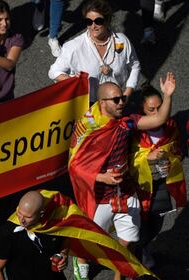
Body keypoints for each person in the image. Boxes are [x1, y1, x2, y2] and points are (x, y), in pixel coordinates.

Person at [68, 72, 176, 280]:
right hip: (100, 197)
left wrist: (168, 95)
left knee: (127, 240)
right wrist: (101, 177)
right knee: (91, 239)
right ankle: (81, 262)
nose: (121, 103)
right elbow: (75, 166)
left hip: (125, 192)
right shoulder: (89, 127)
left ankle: (119, 276)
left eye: (123, 98)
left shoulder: (126, 123)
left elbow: (159, 119)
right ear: (102, 102)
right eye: (115, 99)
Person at [129, 85, 187, 268]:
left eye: (159, 108)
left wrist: (172, 160)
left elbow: (178, 151)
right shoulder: (133, 130)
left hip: (162, 183)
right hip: (139, 188)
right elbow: (123, 160)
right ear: (142, 111)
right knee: (136, 229)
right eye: (151, 110)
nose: (156, 113)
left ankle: (144, 247)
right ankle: (132, 261)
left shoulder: (170, 126)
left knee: (156, 224)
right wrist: (147, 157)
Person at [48, 0, 140, 103]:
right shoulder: (74, 47)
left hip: (117, 102)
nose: (93, 26)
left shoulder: (122, 41)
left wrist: (127, 93)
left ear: (107, 20)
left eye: (98, 21)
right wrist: (73, 81)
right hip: (88, 104)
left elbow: (135, 66)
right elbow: (54, 72)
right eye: (88, 22)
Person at [0, 191, 68, 280]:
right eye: (19, 213)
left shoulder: (53, 226)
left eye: (27, 217)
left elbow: (65, 239)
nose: (21, 220)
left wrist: (63, 255)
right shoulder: (7, 233)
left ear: (41, 213)